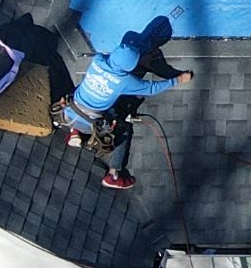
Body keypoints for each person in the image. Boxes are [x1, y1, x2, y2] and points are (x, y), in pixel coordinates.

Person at [62, 27, 194, 191]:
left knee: (88, 90)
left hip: (69, 114)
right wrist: (178, 79)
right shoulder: (124, 81)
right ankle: (114, 174)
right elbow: (151, 88)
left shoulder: (98, 60)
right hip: (91, 123)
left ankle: (75, 132)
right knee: (124, 128)